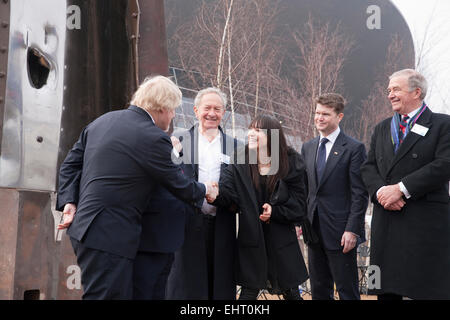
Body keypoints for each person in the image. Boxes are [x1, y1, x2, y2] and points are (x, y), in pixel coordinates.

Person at [56, 75, 216, 300]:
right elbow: (178, 184)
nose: (172, 116)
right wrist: (207, 189)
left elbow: (70, 165)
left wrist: (69, 202)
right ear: (162, 107)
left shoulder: (101, 122)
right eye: (172, 110)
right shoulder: (153, 137)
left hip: (87, 228)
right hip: (110, 234)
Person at [361, 69, 450, 300]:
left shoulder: (443, 124)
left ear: (417, 92)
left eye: (396, 89)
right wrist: (381, 192)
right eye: (389, 90)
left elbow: (445, 164)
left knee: (427, 290)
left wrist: (400, 189)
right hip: (387, 222)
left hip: (425, 223)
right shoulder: (382, 128)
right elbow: (368, 167)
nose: (390, 94)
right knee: (385, 289)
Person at [211, 115, 309, 300]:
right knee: (248, 293)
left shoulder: (291, 161)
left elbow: (300, 205)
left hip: (281, 240)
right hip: (251, 237)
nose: (252, 134)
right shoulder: (240, 158)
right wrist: (213, 195)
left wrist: (275, 212)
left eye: (258, 131)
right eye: (251, 129)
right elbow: (228, 194)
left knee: (292, 293)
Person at [166, 87, 239, 300]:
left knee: (219, 288)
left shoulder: (235, 147)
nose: (212, 113)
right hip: (186, 226)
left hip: (222, 225)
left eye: (217, 109)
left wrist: (222, 196)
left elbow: (240, 189)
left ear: (224, 113)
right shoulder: (177, 141)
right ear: (196, 110)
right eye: (207, 108)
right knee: (185, 288)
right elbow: (170, 181)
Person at [301, 93, 368, 300]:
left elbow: (359, 193)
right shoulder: (308, 147)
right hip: (313, 230)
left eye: (325, 114)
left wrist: (352, 230)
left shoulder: (354, 148)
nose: (319, 118)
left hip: (341, 233)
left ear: (339, 117)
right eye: (317, 113)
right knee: (319, 289)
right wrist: (300, 222)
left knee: (347, 290)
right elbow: (305, 189)